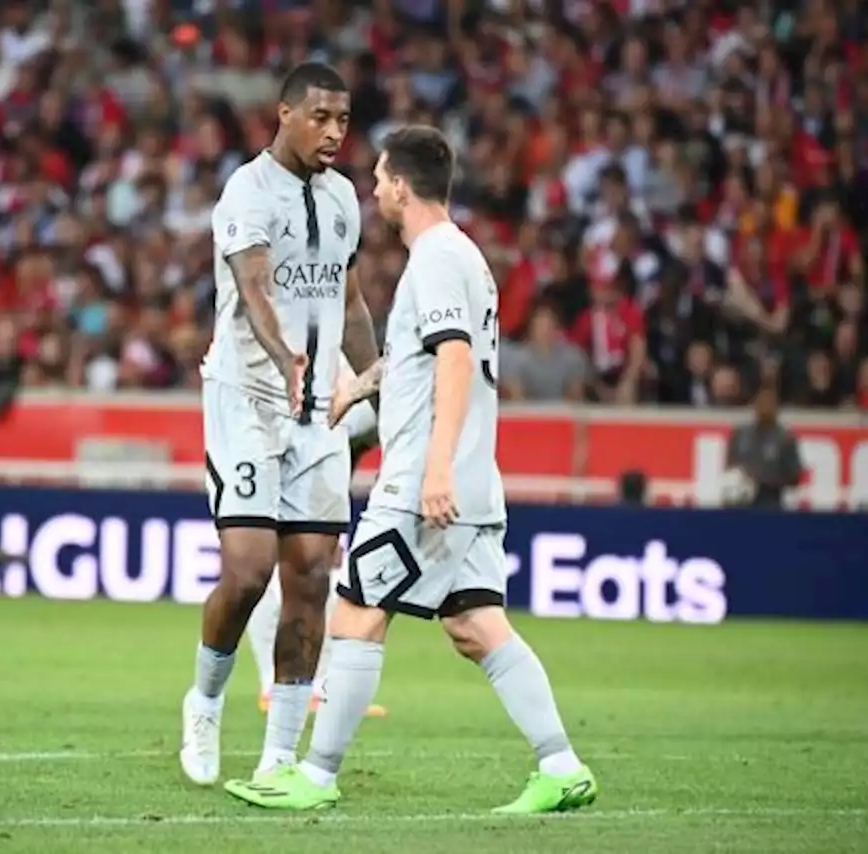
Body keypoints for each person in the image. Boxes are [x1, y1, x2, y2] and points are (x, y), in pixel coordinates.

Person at [224, 126, 598, 813]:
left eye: (378, 180)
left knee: (356, 613)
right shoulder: (462, 258)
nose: (372, 191)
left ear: (401, 184)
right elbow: (421, 356)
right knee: (476, 626)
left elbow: (454, 361)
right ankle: (562, 765)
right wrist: (359, 385)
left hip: (425, 483)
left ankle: (316, 775)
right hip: (473, 481)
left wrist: (435, 471)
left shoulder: (436, 259)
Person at [181, 62, 381, 786]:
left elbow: (350, 301)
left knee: (311, 576)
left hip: (318, 410)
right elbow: (255, 288)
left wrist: (376, 383)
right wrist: (287, 356)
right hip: (247, 400)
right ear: (285, 113)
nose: (334, 132)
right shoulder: (246, 191)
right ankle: (203, 702)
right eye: (321, 116)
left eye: (344, 120)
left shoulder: (341, 201)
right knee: (248, 571)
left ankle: (278, 759)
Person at [247, 358, 387, 719]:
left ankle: (314, 683)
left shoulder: (342, 365)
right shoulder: (330, 367)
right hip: (279, 460)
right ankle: (272, 683)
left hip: (321, 469)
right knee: (277, 573)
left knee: (319, 574)